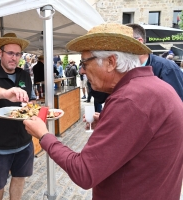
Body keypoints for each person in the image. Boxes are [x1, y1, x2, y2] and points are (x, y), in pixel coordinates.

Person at [23, 23, 183, 200]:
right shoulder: (154, 88)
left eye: (85, 63)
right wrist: (110, 121)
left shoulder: (130, 99)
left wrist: (44, 136)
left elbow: (84, 172)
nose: (82, 70)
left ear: (111, 62)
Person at [0, 32, 36, 200]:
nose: (14, 58)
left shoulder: (24, 74)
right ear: (0, 53)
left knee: (19, 179)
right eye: (10, 53)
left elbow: (30, 99)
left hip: (24, 142)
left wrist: (31, 108)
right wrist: (6, 93)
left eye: (18, 54)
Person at [126, 23, 183, 101]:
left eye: (125, 42)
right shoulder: (122, 68)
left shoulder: (167, 68)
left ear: (139, 42)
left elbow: (178, 102)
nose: (119, 48)